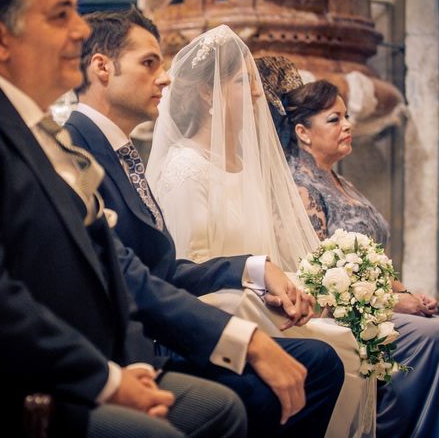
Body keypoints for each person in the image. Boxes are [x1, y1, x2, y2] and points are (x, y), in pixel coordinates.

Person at [0, 0, 251, 436]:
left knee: (227, 406)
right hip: (33, 385)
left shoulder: (44, 133)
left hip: (113, 354)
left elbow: (118, 262)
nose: (81, 30)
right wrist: (108, 379)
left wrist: (236, 333)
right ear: (0, 39)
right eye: (60, 15)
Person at [65, 11, 345, 437]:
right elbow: (126, 278)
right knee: (310, 367)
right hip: (129, 351)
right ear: (102, 67)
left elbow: (158, 268)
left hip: (152, 334)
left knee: (320, 361)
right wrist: (241, 339)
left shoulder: (114, 151)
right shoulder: (74, 153)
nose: (164, 79)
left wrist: (252, 266)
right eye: (149, 63)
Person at [145, 25, 376, 437]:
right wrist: (264, 293)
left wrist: (292, 290)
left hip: (257, 298)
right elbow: (184, 273)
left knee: (355, 346)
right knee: (341, 353)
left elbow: (264, 254)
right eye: (243, 81)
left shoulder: (244, 166)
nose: (257, 93)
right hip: (218, 309)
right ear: (207, 93)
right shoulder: (185, 169)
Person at [259, 56, 439, 437]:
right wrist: (394, 302)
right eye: (334, 119)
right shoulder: (302, 189)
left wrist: (407, 294)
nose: (347, 125)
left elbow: (370, 263)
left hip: (370, 304)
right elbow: (318, 274)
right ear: (304, 133)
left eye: (346, 116)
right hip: (335, 314)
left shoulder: (341, 182)